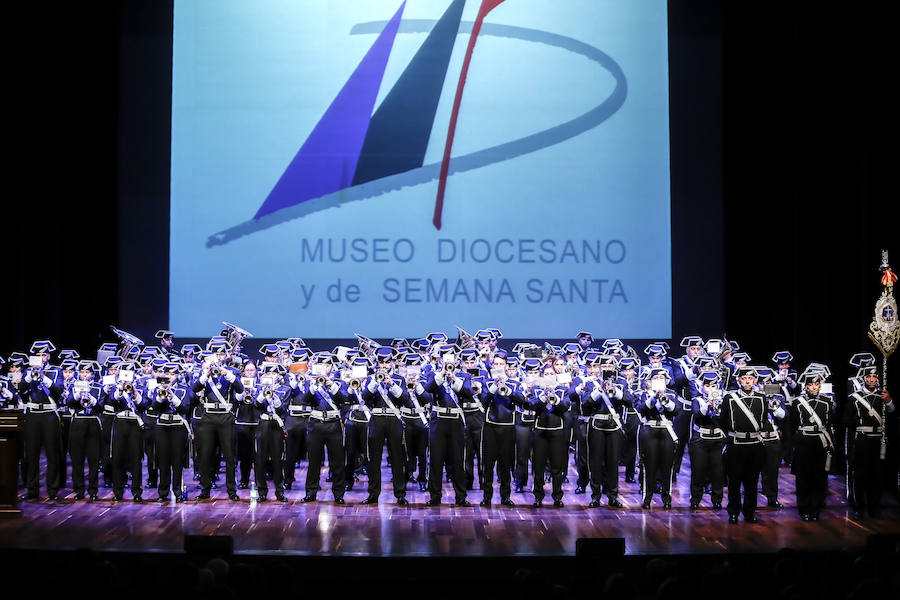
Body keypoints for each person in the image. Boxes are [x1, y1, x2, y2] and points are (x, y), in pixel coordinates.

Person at [192, 340, 243, 501]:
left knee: (229, 455)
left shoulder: (230, 371)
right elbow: (194, 389)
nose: (219, 356)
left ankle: (231, 490)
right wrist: (206, 374)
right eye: (216, 353)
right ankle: (205, 489)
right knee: (206, 455)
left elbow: (240, 389)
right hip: (208, 417)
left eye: (221, 353)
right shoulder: (203, 372)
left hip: (225, 417)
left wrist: (226, 373)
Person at [580, 354, 631, 508]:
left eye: (610, 366)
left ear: (614, 367)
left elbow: (629, 402)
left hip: (614, 424)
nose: (607, 368)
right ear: (599, 368)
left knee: (613, 462)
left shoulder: (621, 383)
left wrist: (616, 392)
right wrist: (599, 390)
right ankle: (595, 496)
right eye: (604, 366)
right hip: (597, 424)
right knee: (596, 462)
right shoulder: (591, 383)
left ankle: (613, 495)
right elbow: (585, 405)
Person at [845, 365, 894, 518]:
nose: (872, 380)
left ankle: (875, 508)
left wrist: (890, 401)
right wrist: (859, 422)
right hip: (862, 440)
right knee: (860, 475)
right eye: (868, 377)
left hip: (878, 440)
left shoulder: (883, 396)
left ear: (878, 379)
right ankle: (859, 507)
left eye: (874, 377)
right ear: (863, 379)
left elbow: (893, 415)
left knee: (877, 475)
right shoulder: (854, 398)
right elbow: (846, 419)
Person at [424, 351, 473, 506]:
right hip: (438, 421)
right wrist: (443, 373)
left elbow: (469, 393)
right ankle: (435, 496)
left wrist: (454, 378)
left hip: (456, 421)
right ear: (440, 360)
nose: (448, 362)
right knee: (436, 460)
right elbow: (428, 389)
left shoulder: (464, 376)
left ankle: (461, 497)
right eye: (445, 359)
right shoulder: (433, 374)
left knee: (458, 460)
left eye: (451, 360)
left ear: (456, 360)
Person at [361, 348, 409, 505]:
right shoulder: (370, 379)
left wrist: (391, 383)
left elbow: (405, 400)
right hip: (377, 419)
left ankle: (400, 494)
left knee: (398, 458)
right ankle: (373, 494)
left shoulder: (399, 379)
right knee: (374, 459)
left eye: (387, 362)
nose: (384, 365)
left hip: (394, 419)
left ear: (392, 363)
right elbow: (365, 398)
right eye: (381, 362)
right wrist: (376, 382)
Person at [720, 366, 767, 523]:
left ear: (754, 381)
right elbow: (723, 421)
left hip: (755, 444)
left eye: (750, 379)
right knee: (734, 481)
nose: (747, 381)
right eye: (744, 378)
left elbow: (764, 420)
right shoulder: (730, 398)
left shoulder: (762, 397)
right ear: (739, 380)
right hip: (736, 444)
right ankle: (733, 512)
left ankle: (750, 512)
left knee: (752, 481)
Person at [300, 353, 347, 504]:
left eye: (328, 365)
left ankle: (338, 494)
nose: (326, 368)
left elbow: (343, 400)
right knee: (313, 462)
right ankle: (311, 492)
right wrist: (314, 386)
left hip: (333, 424)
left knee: (337, 462)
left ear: (332, 367)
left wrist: (330, 385)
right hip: (316, 424)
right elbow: (305, 400)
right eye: (322, 365)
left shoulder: (339, 382)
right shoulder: (310, 382)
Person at [18, 341, 63, 501]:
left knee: (52, 453)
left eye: (44, 354)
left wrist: (44, 377)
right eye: (38, 355)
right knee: (31, 453)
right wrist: (30, 376)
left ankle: (52, 489)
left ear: (48, 356)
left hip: (49, 414)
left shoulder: (56, 370)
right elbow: (21, 389)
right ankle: (32, 488)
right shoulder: (27, 371)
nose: (41, 357)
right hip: (33, 414)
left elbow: (59, 391)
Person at [480, 353, 523, 506]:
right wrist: (494, 387)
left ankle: (505, 496)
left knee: (506, 465)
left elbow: (522, 400)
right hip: (490, 427)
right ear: (492, 366)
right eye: (496, 364)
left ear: (505, 366)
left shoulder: (514, 383)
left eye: (501, 364)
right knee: (488, 465)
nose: (498, 367)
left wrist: (508, 389)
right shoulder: (486, 383)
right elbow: (483, 401)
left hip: (508, 428)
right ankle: (487, 497)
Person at [790, 370, 834, 521]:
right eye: (811, 385)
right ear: (806, 387)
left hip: (821, 443)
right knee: (803, 478)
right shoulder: (797, 403)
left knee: (819, 477)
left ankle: (816, 509)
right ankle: (804, 509)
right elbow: (793, 424)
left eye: (816, 385)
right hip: (803, 443)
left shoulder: (827, 402)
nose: (814, 388)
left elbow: (830, 424)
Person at [527, 362, 570, 508]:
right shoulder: (536, 389)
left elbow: (565, 407)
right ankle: (538, 496)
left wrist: (555, 398)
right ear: (542, 376)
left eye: (552, 374)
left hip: (557, 431)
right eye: (546, 374)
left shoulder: (562, 390)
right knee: (538, 466)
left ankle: (557, 497)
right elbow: (531, 405)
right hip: (540, 432)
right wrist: (542, 397)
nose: (549, 376)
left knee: (557, 467)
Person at [636, 367, 678, 509]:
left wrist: (665, 401)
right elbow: (641, 409)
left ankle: (667, 499)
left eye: (662, 378)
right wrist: (654, 398)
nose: (659, 381)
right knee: (649, 466)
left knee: (667, 466)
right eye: (656, 378)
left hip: (667, 431)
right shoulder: (644, 394)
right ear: (649, 382)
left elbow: (676, 411)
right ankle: (647, 498)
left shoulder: (671, 394)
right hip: (650, 430)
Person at [152, 362, 192, 502]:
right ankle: (163, 493)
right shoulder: (157, 388)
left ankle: (177, 491)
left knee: (177, 461)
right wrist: (160, 395)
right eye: (167, 374)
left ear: (177, 376)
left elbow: (185, 408)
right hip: (162, 425)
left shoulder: (183, 389)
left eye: (172, 374)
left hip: (178, 425)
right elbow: (155, 407)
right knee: (163, 460)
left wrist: (171, 396)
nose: (169, 377)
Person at [65, 361, 104, 501]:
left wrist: (91, 399)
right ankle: (79, 490)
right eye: (82, 372)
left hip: (93, 422)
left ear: (92, 374)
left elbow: (101, 408)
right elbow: (69, 402)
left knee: (94, 460)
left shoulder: (98, 387)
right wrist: (78, 394)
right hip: (77, 422)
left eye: (87, 372)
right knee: (77, 459)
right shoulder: (73, 385)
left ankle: (93, 490)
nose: (84, 375)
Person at [252, 363, 289, 502]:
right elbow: (256, 405)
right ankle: (262, 491)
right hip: (263, 424)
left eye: (274, 374)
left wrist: (275, 398)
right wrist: (263, 394)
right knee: (260, 459)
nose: (272, 376)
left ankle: (280, 491)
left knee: (278, 459)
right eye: (269, 374)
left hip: (276, 425)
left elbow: (282, 410)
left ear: (279, 376)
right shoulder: (258, 388)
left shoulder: (285, 389)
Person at [688, 371, 725, 509]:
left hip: (717, 439)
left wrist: (719, 406)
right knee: (698, 470)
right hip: (700, 439)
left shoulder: (723, 400)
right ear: (702, 387)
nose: (711, 389)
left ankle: (717, 499)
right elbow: (698, 415)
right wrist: (709, 403)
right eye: (708, 386)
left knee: (718, 471)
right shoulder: (697, 400)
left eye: (714, 386)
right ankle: (695, 499)